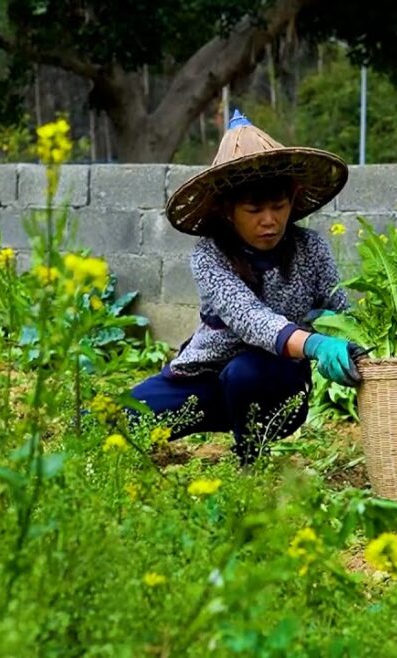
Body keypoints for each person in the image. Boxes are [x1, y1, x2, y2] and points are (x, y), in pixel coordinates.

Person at [129, 110, 365, 465]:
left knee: (247, 372)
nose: (269, 221)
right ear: (228, 210)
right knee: (119, 420)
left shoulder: (311, 248)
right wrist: (315, 344)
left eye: (278, 206)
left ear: (293, 200)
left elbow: (340, 310)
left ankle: (250, 460)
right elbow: (250, 318)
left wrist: (343, 338)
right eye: (254, 210)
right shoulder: (210, 255)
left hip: (273, 385)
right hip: (206, 380)